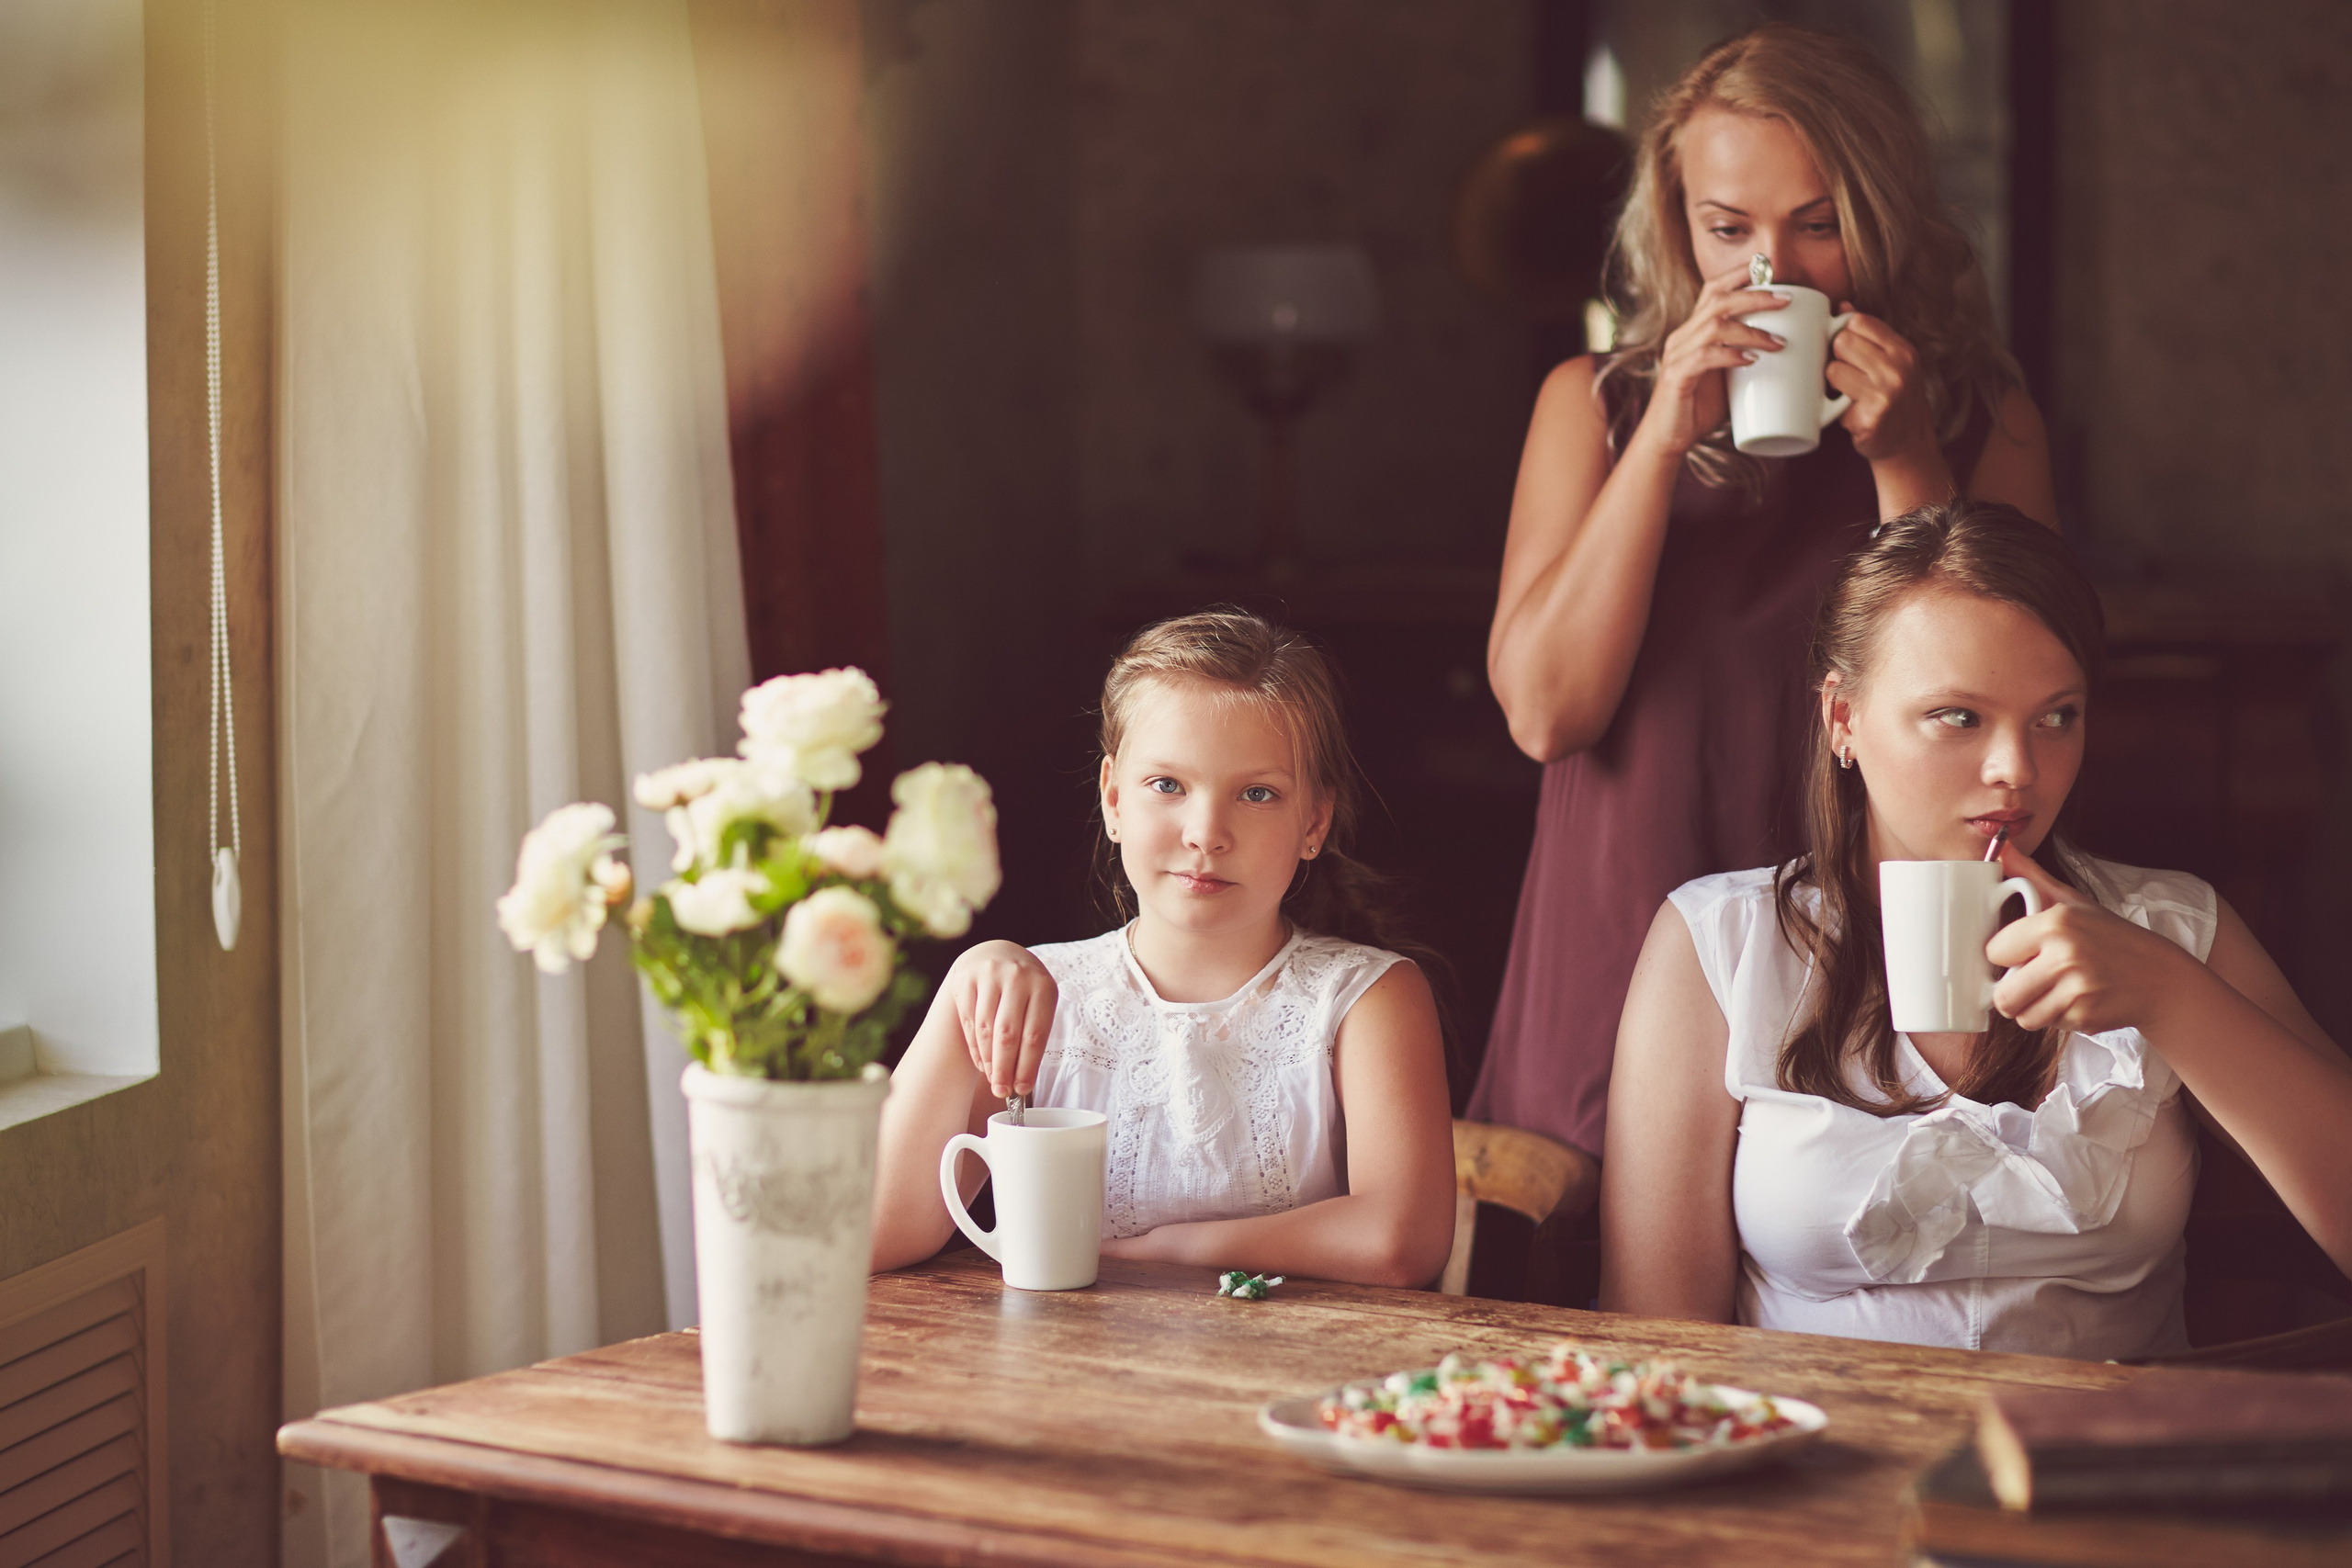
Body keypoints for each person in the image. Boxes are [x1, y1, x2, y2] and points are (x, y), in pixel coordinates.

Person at [1474, 24, 2057, 1163]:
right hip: (1621, 917)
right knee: (1589, 1310)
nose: (1771, 273)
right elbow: (1548, 714)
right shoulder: (1587, 406)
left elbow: (1991, 711)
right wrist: (1657, 441)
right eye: (1728, 228)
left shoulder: (1991, 420)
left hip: (1861, 936)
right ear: (1677, 225)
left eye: (1818, 223)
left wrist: (1904, 457)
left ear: (1881, 216)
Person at [1600, 501, 2352, 1359]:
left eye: (2057, 716)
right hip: (1814, 1468)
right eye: (1959, 716)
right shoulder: (1722, 945)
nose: (2017, 770)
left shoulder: (2172, 927)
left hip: (2105, 1475)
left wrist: (2169, 995)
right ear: (1843, 720)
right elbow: (1654, 1346)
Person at [870, 610, 1456, 1287]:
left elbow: (1401, 1241)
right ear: (1114, 797)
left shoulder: (1367, 998)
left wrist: (1175, 1248)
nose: (1206, 832)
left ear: (1314, 822)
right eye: (1168, 785)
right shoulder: (1032, 999)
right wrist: (961, 985)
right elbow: (878, 1231)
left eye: (1257, 793)